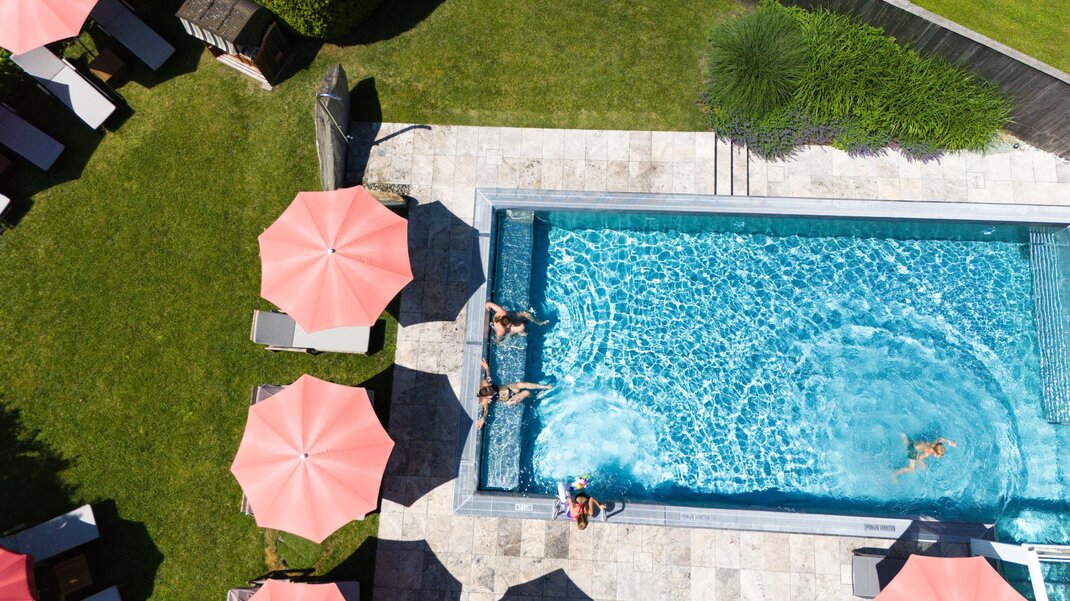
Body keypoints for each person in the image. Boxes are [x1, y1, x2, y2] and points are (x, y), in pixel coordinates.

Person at [476, 358, 551, 429]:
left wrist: (486, 367)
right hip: (509, 400)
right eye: (491, 391)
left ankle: (544, 386)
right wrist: (482, 419)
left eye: (490, 387)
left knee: (520, 384)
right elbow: (485, 411)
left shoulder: (487, 383)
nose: (491, 388)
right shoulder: (485, 399)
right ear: (488, 395)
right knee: (526, 392)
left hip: (508, 388)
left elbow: (488, 374)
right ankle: (536, 396)